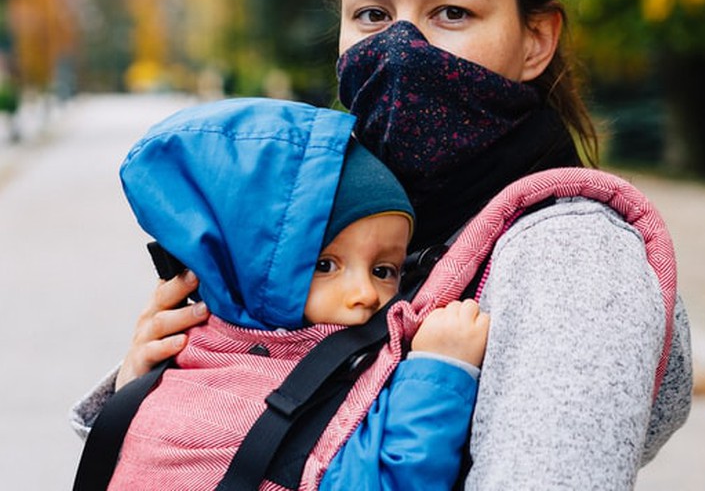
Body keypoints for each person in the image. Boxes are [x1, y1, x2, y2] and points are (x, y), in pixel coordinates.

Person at [72, 0, 692, 490]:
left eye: (451, 12)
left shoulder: (571, 259)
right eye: (371, 14)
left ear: (536, 39)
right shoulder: (333, 212)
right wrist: (158, 387)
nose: (400, 49)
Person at [102, 97, 488, 490]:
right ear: (249, 268)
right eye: (324, 265)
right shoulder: (207, 396)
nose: (366, 294)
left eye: (383, 270)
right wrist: (439, 372)